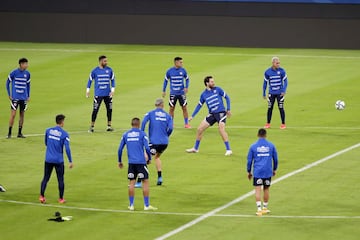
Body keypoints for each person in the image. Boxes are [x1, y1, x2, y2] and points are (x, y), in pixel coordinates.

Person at [186, 76, 232, 156]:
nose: (213, 83)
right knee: (200, 129)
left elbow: (227, 98)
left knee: (221, 129)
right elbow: (199, 105)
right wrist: (192, 116)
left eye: (213, 81)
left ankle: (228, 149)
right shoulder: (203, 94)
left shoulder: (218, 89)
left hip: (221, 112)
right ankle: (195, 148)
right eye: (212, 82)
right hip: (212, 114)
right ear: (207, 83)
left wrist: (228, 109)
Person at [118, 117, 157, 211]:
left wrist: (120, 161)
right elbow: (147, 148)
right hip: (141, 162)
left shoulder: (126, 134)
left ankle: (131, 205)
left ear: (131, 124)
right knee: (145, 182)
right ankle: (146, 205)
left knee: (131, 183)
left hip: (131, 163)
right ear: (139, 125)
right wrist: (149, 158)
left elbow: (120, 149)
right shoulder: (142, 134)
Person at [39, 114, 73, 204]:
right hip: (58, 160)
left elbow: (46, 142)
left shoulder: (48, 131)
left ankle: (42, 196)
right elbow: (67, 148)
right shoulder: (65, 134)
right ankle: (61, 199)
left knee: (46, 178)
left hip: (48, 159)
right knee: (60, 179)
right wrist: (70, 161)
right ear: (62, 122)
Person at [139, 98, 173, 187]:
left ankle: (139, 181)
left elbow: (143, 122)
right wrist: (166, 135)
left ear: (156, 105)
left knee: (144, 158)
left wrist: (142, 133)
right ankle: (160, 178)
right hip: (164, 143)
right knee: (157, 157)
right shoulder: (168, 115)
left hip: (154, 142)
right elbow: (171, 128)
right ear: (162, 105)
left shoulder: (150, 113)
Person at [247, 128, 278, 216]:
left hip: (258, 171)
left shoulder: (253, 146)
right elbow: (275, 159)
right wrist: (274, 169)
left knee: (257, 189)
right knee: (266, 189)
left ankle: (259, 209)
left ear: (258, 135)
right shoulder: (271, 146)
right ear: (265, 135)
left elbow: (249, 160)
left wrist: (249, 171)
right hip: (268, 171)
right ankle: (265, 207)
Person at [86, 55, 116, 132]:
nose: (106, 62)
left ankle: (109, 126)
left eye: (106, 61)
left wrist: (112, 90)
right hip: (98, 94)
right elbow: (90, 80)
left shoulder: (109, 70)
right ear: (100, 62)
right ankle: (92, 126)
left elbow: (113, 80)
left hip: (108, 94)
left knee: (109, 109)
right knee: (95, 110)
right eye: (105, 61)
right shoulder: (95, 71)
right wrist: (88, 90)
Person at [162, 56, 191, 128]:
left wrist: (186, 87)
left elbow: (187, 79)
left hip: (181, 93)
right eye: (180, 62)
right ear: (176, 62)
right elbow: (165, 80)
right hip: (173, 93)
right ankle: (171, 123)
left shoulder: (183, 70)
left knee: (184, 107)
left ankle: (186, 123)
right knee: (171, 108)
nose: (182, 63)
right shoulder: (169, 71)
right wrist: (164, 90)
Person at [6, 58, 31, 138]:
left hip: (23, 98)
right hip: (15, 97)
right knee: (13, 114)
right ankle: (9, 133)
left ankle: (19, 133)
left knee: (22, 114)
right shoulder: (14, 72)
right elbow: (7, 83)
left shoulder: (27, 74)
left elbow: (28, 85)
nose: (27, 65)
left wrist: (28, 95)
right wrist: (9, 94)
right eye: (25, 64)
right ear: (21, 64)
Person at [263, 56, 288, 129]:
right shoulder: (267, 72)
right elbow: (265, 83)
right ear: (273, 63)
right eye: (277, 63)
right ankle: (268, 123)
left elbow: (285, 81)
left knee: (281, 107)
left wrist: (283, 90)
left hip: (280, 93)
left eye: (279, 63)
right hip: (271, 93)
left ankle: (283, 124)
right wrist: (264, 93)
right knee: (270, 108)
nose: (278, 64)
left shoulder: (282, 71)